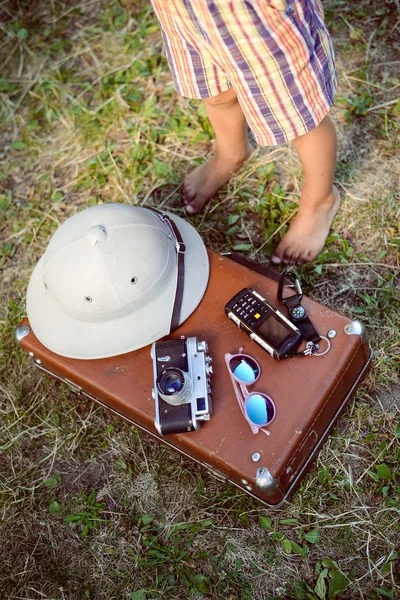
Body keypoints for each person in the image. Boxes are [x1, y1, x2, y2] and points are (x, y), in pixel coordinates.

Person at [150, 0, 340, 265]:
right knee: (215, 91)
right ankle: (231, 153)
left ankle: (320, 200)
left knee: (298, 111)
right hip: (185, 9)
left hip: (252, 11)